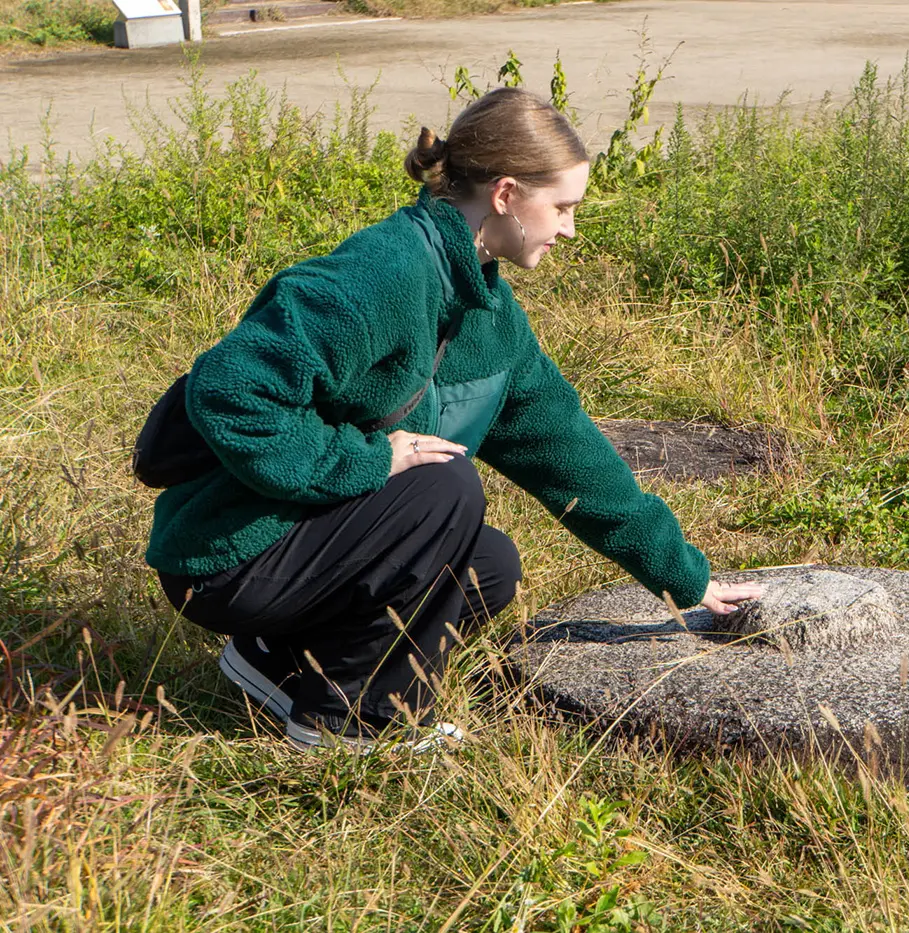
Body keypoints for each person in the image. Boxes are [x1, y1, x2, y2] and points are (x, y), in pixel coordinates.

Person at [145, 87, 761, 751]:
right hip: (228, 552)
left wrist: (685, 577)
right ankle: (349, 724)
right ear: (504, 194)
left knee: (490, 564)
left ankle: (278, 659)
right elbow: (229, 390)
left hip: (295, 549)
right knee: (445, 485)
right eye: (561, 207)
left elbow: (566, 449)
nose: (569, 229)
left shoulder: (488, 312)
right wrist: (372, 460)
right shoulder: (381, 276)